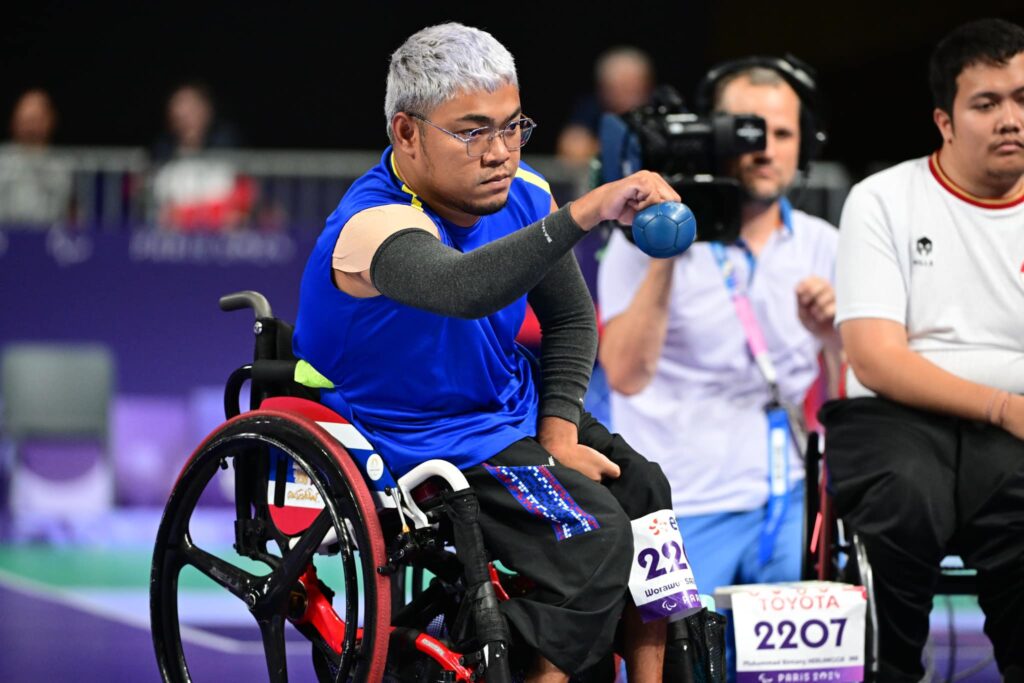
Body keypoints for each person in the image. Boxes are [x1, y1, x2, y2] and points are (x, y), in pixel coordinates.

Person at [292, 22, 688, 681]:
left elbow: (570, 318)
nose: (500, 152)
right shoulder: (371, 225)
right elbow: (464, 288)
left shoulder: (524, 192)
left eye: (512, 127)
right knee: (595, 539)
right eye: (473, 132)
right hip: (423, 436)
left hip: (509, 409)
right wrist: (584, 213)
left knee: (646, 490)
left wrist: (558, 433)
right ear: (406, 133)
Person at [820, 18, 1024, 682]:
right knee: (904, 496)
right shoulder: (882, 199)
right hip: (897, 417)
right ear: (945, 121)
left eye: (1023, 99)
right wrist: (1001, 406)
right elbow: (876, 358)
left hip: (1015, 428)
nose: (1010, 119)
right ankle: (891, 671)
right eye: (987, 103)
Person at [598, 57, 841, 600]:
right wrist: (668, 249)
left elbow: (850, 393)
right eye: (747, 131)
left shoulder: (824, 245)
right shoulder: (640, 240)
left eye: (783, 133)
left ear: (806, 145)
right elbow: (626, 376)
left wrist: (832, 335)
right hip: (678, 505)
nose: (765, 149)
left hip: (788, 501)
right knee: (678, 650)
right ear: (711, 138)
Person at [150, 82, 253, 231]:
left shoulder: (227, 151)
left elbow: (240, 203)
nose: (185, 117)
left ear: (206, 111)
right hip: (175, 239)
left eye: (191, 110)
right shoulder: (162, 156)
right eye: (179, 113)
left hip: (221, 236)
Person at [556, 46, 655, 166]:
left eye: (636, 88)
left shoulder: (657, 109)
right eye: (623, 87)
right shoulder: (592, 108)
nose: (630, 96)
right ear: (604, 89)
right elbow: (572, 149)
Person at [0, 88, 73, 227]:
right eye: (26, 120)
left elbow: (71, 212)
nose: (31, 127)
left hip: (48, 236)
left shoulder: (61, 166)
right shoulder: (2, 159)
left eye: (36, 120)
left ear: (50, 121)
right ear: (14, 121)